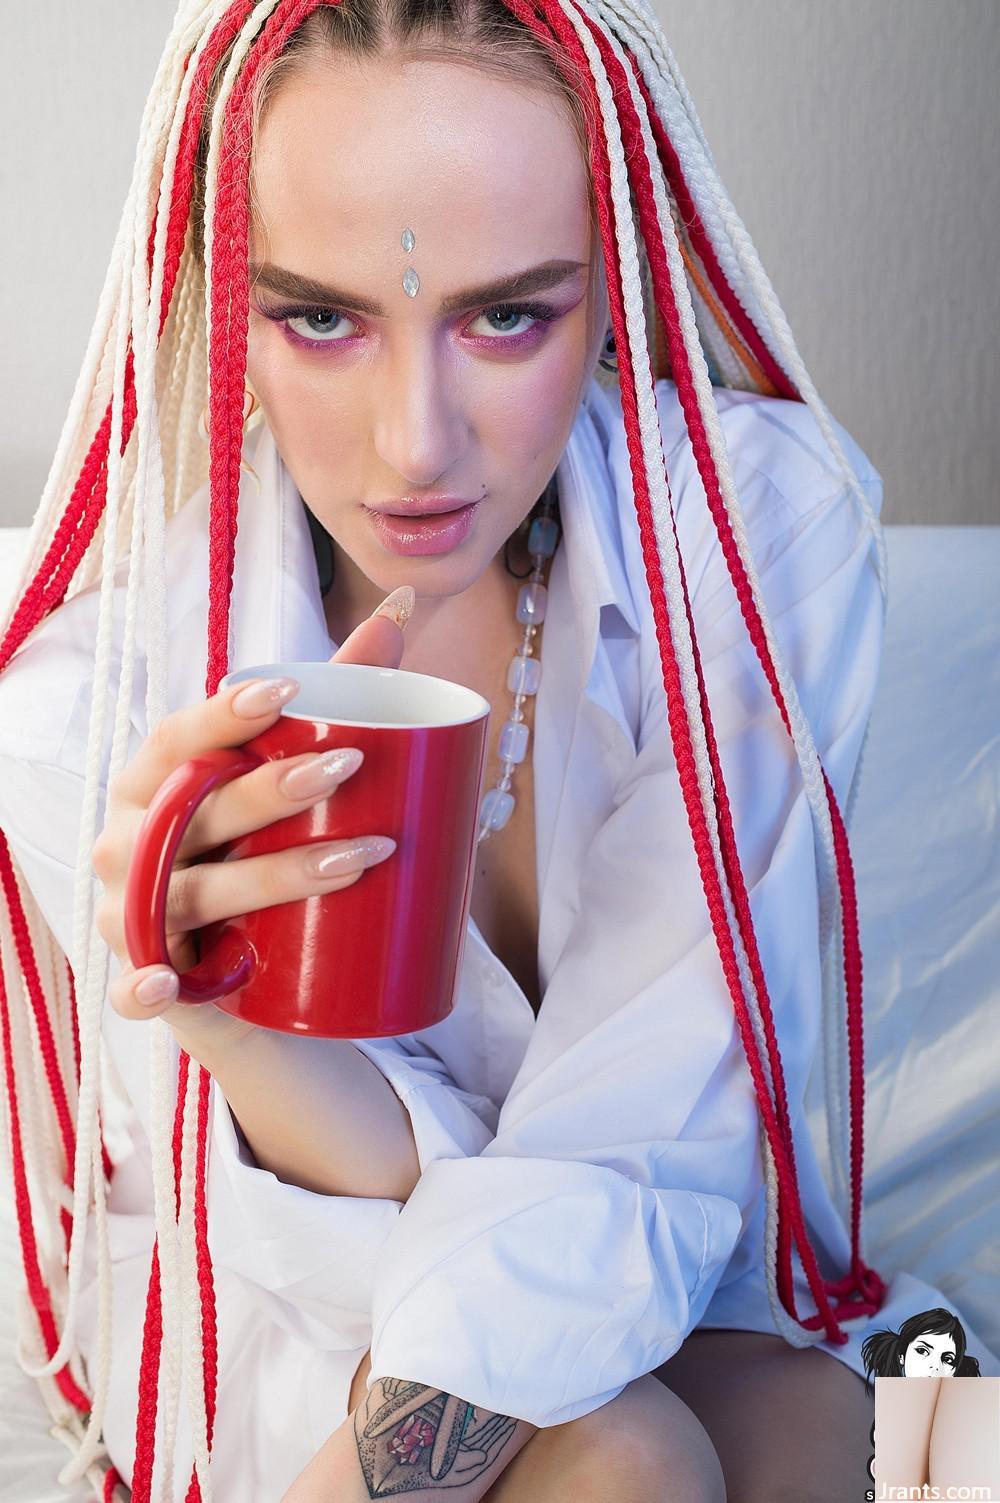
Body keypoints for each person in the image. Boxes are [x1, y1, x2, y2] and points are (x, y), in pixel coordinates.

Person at [0, 2, 995, 1500]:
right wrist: (229, 1025)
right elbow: (320, 1246)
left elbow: (646, 1137)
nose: (417, 445)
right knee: (631, 1452)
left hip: (661, 1270)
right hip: (300, 1322)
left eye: (509, 316)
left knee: (931, 1443)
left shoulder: (752, 540)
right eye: (320, 318)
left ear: (613, 287)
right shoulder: (96, 699)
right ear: (219, 301)